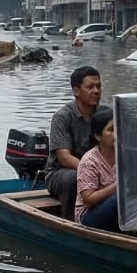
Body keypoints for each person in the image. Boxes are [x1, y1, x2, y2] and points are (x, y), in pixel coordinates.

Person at [47, 65, 102, 221]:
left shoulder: (105, 115)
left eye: (98, 86)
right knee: (73, 179)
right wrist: (92, 172)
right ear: (76, 91)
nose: (96, 91)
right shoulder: (62, 117)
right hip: (61, 172)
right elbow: (64, 157)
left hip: (98, 171)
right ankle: (71, 223)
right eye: (90, 87)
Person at [74, 108, 119, 232]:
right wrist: (118, 186)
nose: (117, 134)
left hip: (115, 213)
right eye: (111, 130)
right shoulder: (90, 161)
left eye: (119, 128)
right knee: (119, 200)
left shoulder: (126, 155)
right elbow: (88, 200)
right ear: (98, 136)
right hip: (88, 215)